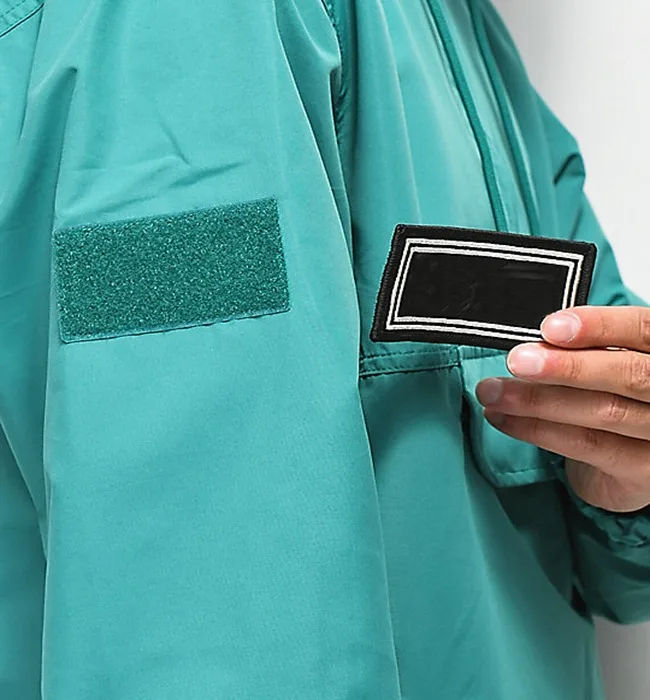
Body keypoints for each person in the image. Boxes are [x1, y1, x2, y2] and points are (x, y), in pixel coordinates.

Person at [1, 1, 649, 698]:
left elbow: (607, 557)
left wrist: (622, 478)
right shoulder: (183, 21)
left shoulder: (462, 30)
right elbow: (217, 642)